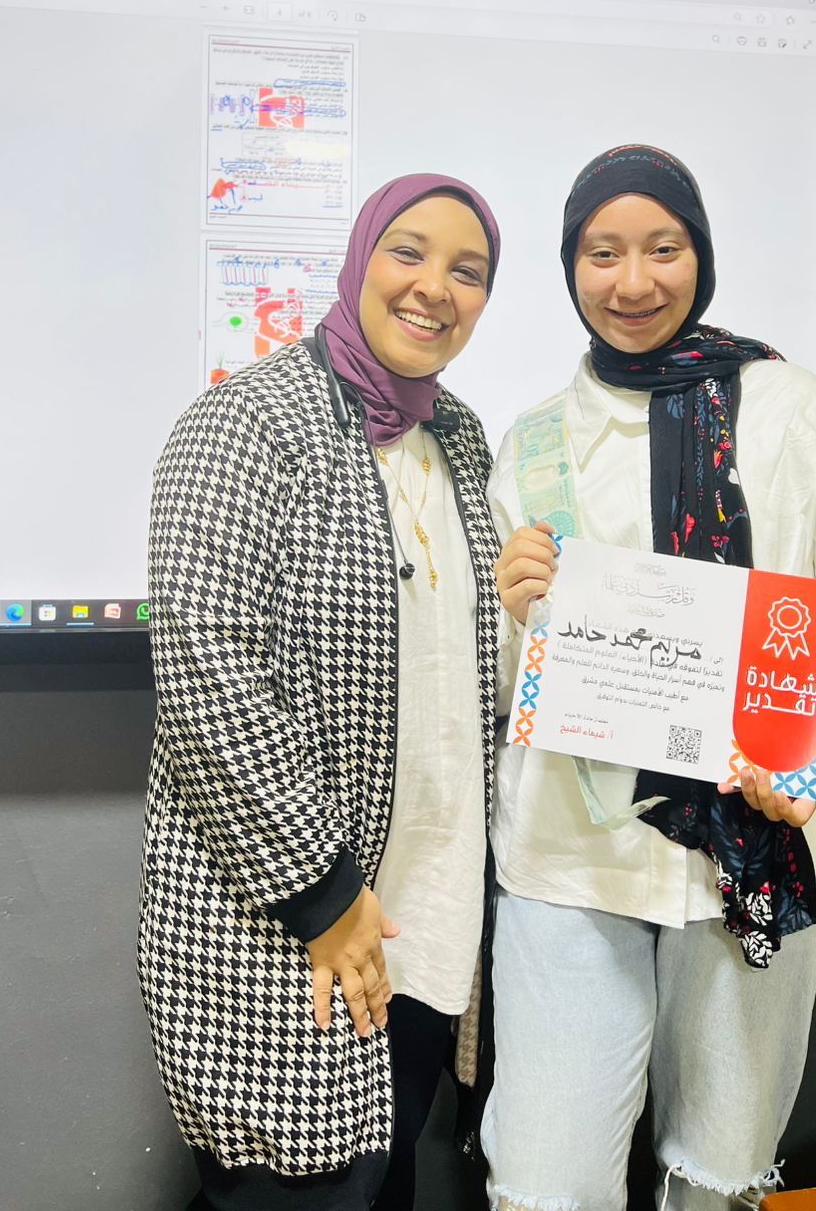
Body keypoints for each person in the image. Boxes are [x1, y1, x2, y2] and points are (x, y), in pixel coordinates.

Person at [483, 144, 816, 1211]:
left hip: (764, 842)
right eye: (603, 252)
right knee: (548, 1186)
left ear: (700, 253)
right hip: (576, 854)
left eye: (663, 247)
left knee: (720, 1175)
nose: (633, 280)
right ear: (571, 267)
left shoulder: (790, 410)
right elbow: (516, 685)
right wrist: (516, 609)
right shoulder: (537, 443)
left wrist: (810, 734)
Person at [138, 173, 503, 1211]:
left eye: (468, 270)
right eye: (410, 252)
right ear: (358, 264)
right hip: (288, 934)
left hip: (423, 929)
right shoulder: (243, 425)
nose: (436, 286)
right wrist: (327, 898)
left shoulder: (463, 439)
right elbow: (210, 678)